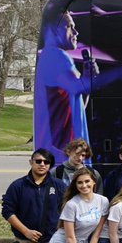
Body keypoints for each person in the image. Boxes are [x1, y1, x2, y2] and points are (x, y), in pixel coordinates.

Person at [33, 11, 92, 163]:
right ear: (54, 30)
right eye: (70, 26)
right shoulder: (58, 57)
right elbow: (80, 88)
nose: (76, 32)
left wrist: (86, 80)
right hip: (65, 154)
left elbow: (78, 104)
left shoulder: (48, 56)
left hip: (65, 151)